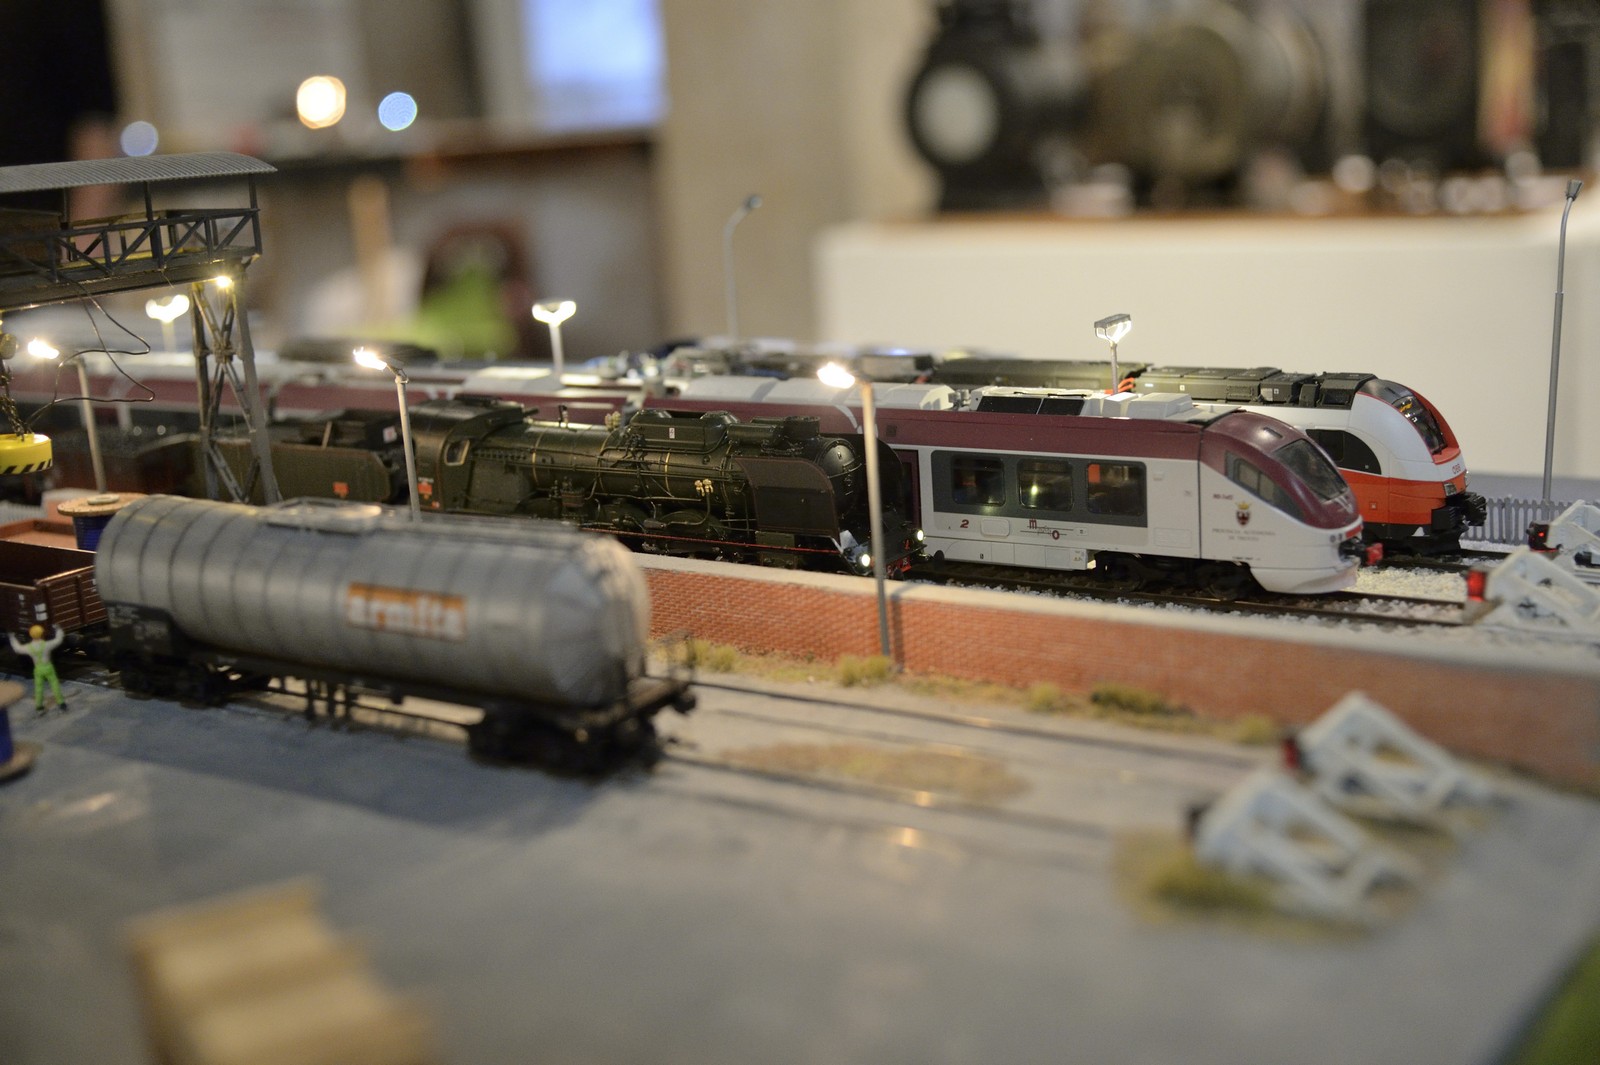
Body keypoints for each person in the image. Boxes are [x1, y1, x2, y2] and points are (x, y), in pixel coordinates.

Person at [9, 624, 67, 713]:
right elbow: (58, 640)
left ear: (31, 635)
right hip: (48, 667)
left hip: (38, 669)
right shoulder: (47, 645)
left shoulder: (29, 647)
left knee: (38, 687)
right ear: (41, 634)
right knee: (54, 685)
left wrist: (12, 637)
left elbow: (17, 648)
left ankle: (39, 706)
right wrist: (58, 629)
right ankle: (61, 703)